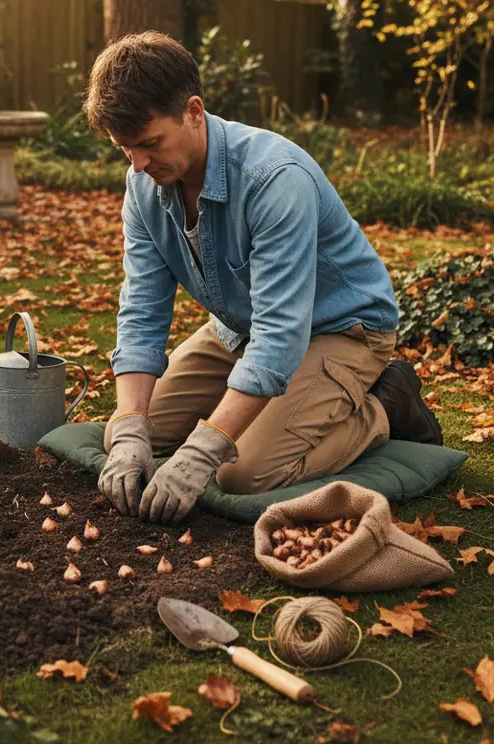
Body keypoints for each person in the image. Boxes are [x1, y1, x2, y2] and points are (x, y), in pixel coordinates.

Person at [83, 31, 442, 526]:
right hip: (243, 326)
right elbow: (143, 308)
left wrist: (206, 449)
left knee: (243, 471)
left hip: (341, 329)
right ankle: (243, 412)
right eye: (125, 149)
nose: (139, 165)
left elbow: (280, 336)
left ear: (192, 111)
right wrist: (127, 429)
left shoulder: (275, 179)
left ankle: (385, 404)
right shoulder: (143, 186)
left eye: (149, 144)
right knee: (132, 432)